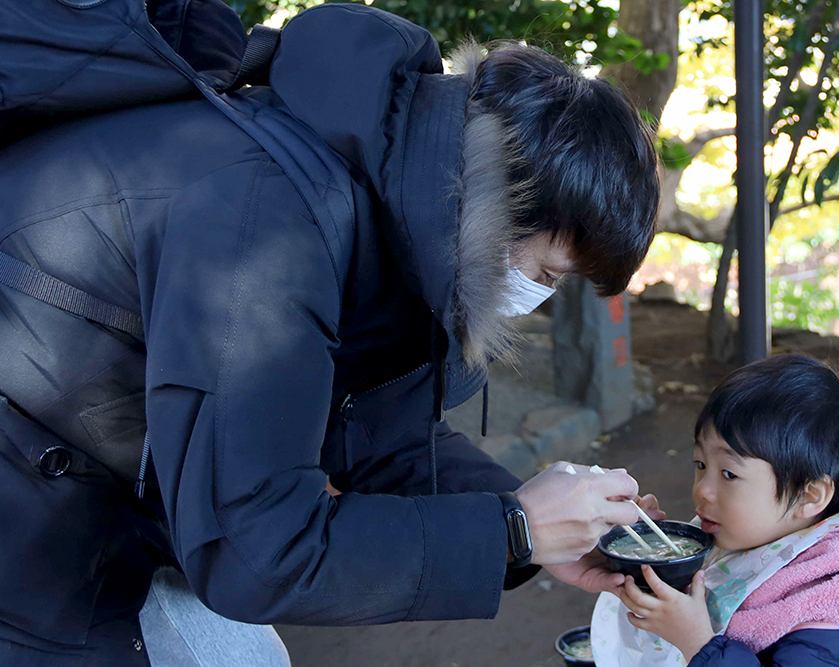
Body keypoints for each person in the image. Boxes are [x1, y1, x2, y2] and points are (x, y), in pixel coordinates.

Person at [0, 3, 660, 665]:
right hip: (31, 491)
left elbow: (375, 431)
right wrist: (512, 531)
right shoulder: (269, 227)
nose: (540, 296)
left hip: (105, 474)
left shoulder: (392, 208)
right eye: (547, 271)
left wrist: (531, 513)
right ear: (497, 205)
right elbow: (252, 551)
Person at [592, 354, 839, 666]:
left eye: (729, 474)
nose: (702, 489)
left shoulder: (834, 612)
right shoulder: (763, 535)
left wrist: (698, 644)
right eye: (701, 464)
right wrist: (650, 551)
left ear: (810, 496)